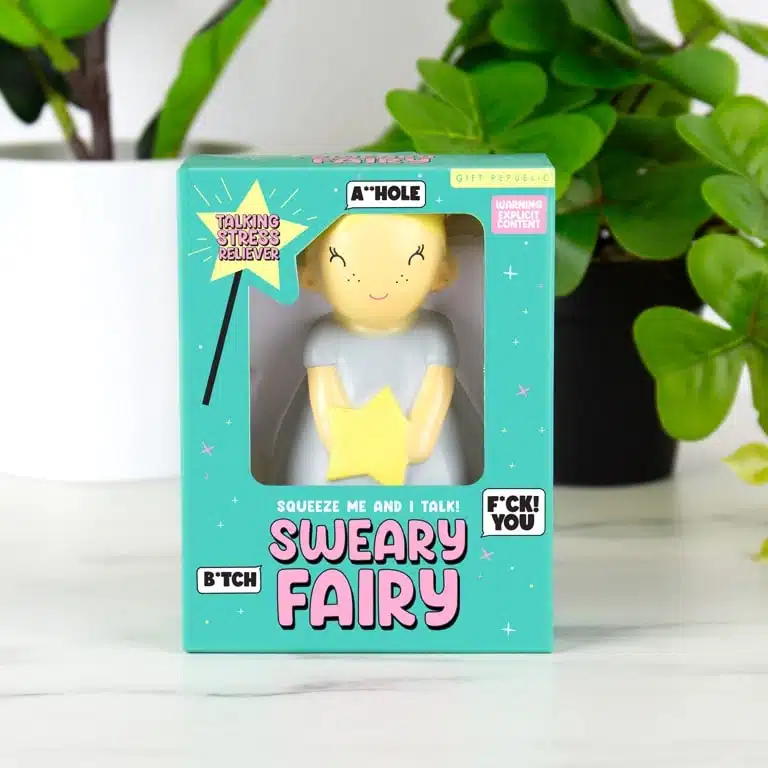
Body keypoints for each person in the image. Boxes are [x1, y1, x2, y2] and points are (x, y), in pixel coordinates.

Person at [273, 213, 470, 486]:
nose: (378, 281)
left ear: (442, 273)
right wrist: (343, 443)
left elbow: (435, 395)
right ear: (309, 277)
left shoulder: (432, 336)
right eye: (340, 260)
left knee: (434, 483)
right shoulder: (326, 339)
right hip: (341, 456)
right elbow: (326, 402)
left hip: (420, 456)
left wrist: (419, 441)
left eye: (413, 259)